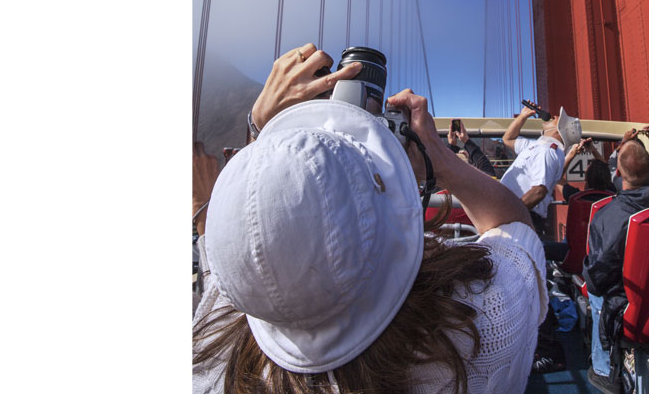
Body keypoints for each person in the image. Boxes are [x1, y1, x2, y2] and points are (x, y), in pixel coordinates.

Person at [192, 43, 549, 394]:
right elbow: (512, 227)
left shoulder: (210, 360)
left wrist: (260, 134)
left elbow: (250, 251)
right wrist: (439, 160)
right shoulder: (480, 337)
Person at [581, 129, 649, 394]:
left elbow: (595, 280)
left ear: (617, 174)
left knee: (596, 294)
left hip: (640, 315)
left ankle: (605, 372)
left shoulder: (610, 215)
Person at [499, 103, 579, 237]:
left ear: (558, 130)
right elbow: (508, 139)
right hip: (521, 216)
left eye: (555, 119)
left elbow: (539, 191)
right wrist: (523, 116)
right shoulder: (539, 146)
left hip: (520, 218)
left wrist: (510, 216)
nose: (553, 116)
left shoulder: (547, 152)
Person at [559, 137, 614, 202]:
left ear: (586, 179)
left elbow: (557, 177)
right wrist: (593, 150)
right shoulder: (614, 196)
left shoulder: (576, 197)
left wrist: (573, 152)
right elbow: (605, 170)